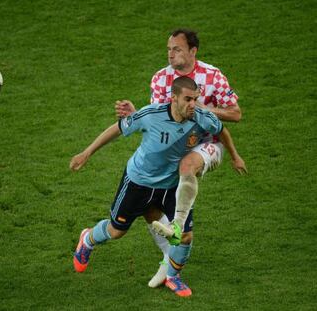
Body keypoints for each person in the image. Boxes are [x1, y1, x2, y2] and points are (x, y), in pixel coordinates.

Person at [70, 77, 247, 297]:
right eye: (188, 99)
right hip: (138, 182)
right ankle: (87, 239)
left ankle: (173, 276)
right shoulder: (150, 115)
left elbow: (221, 131)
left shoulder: (202, 117)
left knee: (185, 236)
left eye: (196, 99)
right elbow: (116, 129)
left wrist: (235, 156)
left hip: (172, 184)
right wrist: (86, 153)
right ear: (174, 98)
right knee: (116, 231)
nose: (193, 104)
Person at [115, 28, 243, 288]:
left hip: (207, 142)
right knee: (149, 204)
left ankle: (177, 233)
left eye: (177, 49)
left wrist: (201, 109)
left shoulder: (212, 75)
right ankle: (168, 257)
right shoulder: (161, 78)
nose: (170, 54)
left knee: (187, 165)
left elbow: (236, 113)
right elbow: (161, 118)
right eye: (168, 49)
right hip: (173, 146)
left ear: (193, 51)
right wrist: (136, 114)